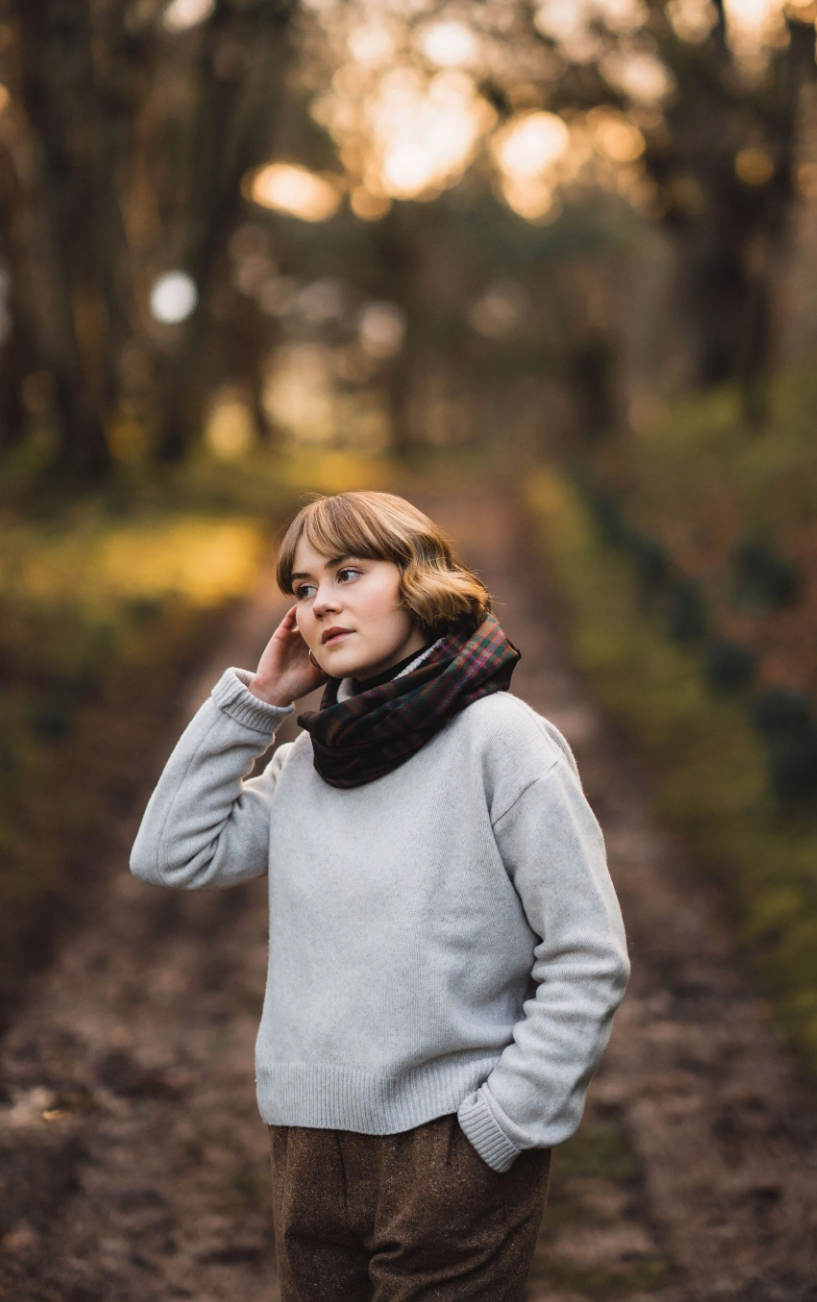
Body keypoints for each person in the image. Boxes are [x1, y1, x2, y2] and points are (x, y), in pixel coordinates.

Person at [129, 489, 630, 1302]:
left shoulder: (499, 740)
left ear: (418, 580)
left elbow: (588, 954)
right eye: (301, 588)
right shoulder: (308, 764)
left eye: (348, 572)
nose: (320, 601)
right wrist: (258, 702)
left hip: (452, 1146)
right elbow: (170, 853)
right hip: (306, 1148)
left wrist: (501, 1129)